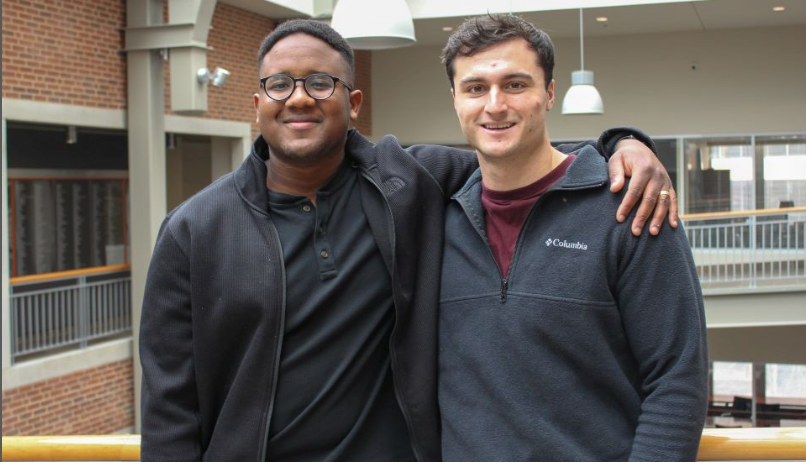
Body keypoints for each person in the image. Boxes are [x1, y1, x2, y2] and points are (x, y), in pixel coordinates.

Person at [139, 19, 677, 461]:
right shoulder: (194, 230)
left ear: (352, 103)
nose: (298, 98)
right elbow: (170, 406)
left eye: (319, 83)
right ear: (258, 103)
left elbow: (520, 153)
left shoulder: (406, 180)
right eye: (280, 85)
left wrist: (622, 145)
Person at [437, 14, 708, 461]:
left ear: (549, 93)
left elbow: (677, 379)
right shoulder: (437, 216)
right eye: (475, 88)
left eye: (516, 85)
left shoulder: (630, 205)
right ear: (455, 99)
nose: (495, 104)